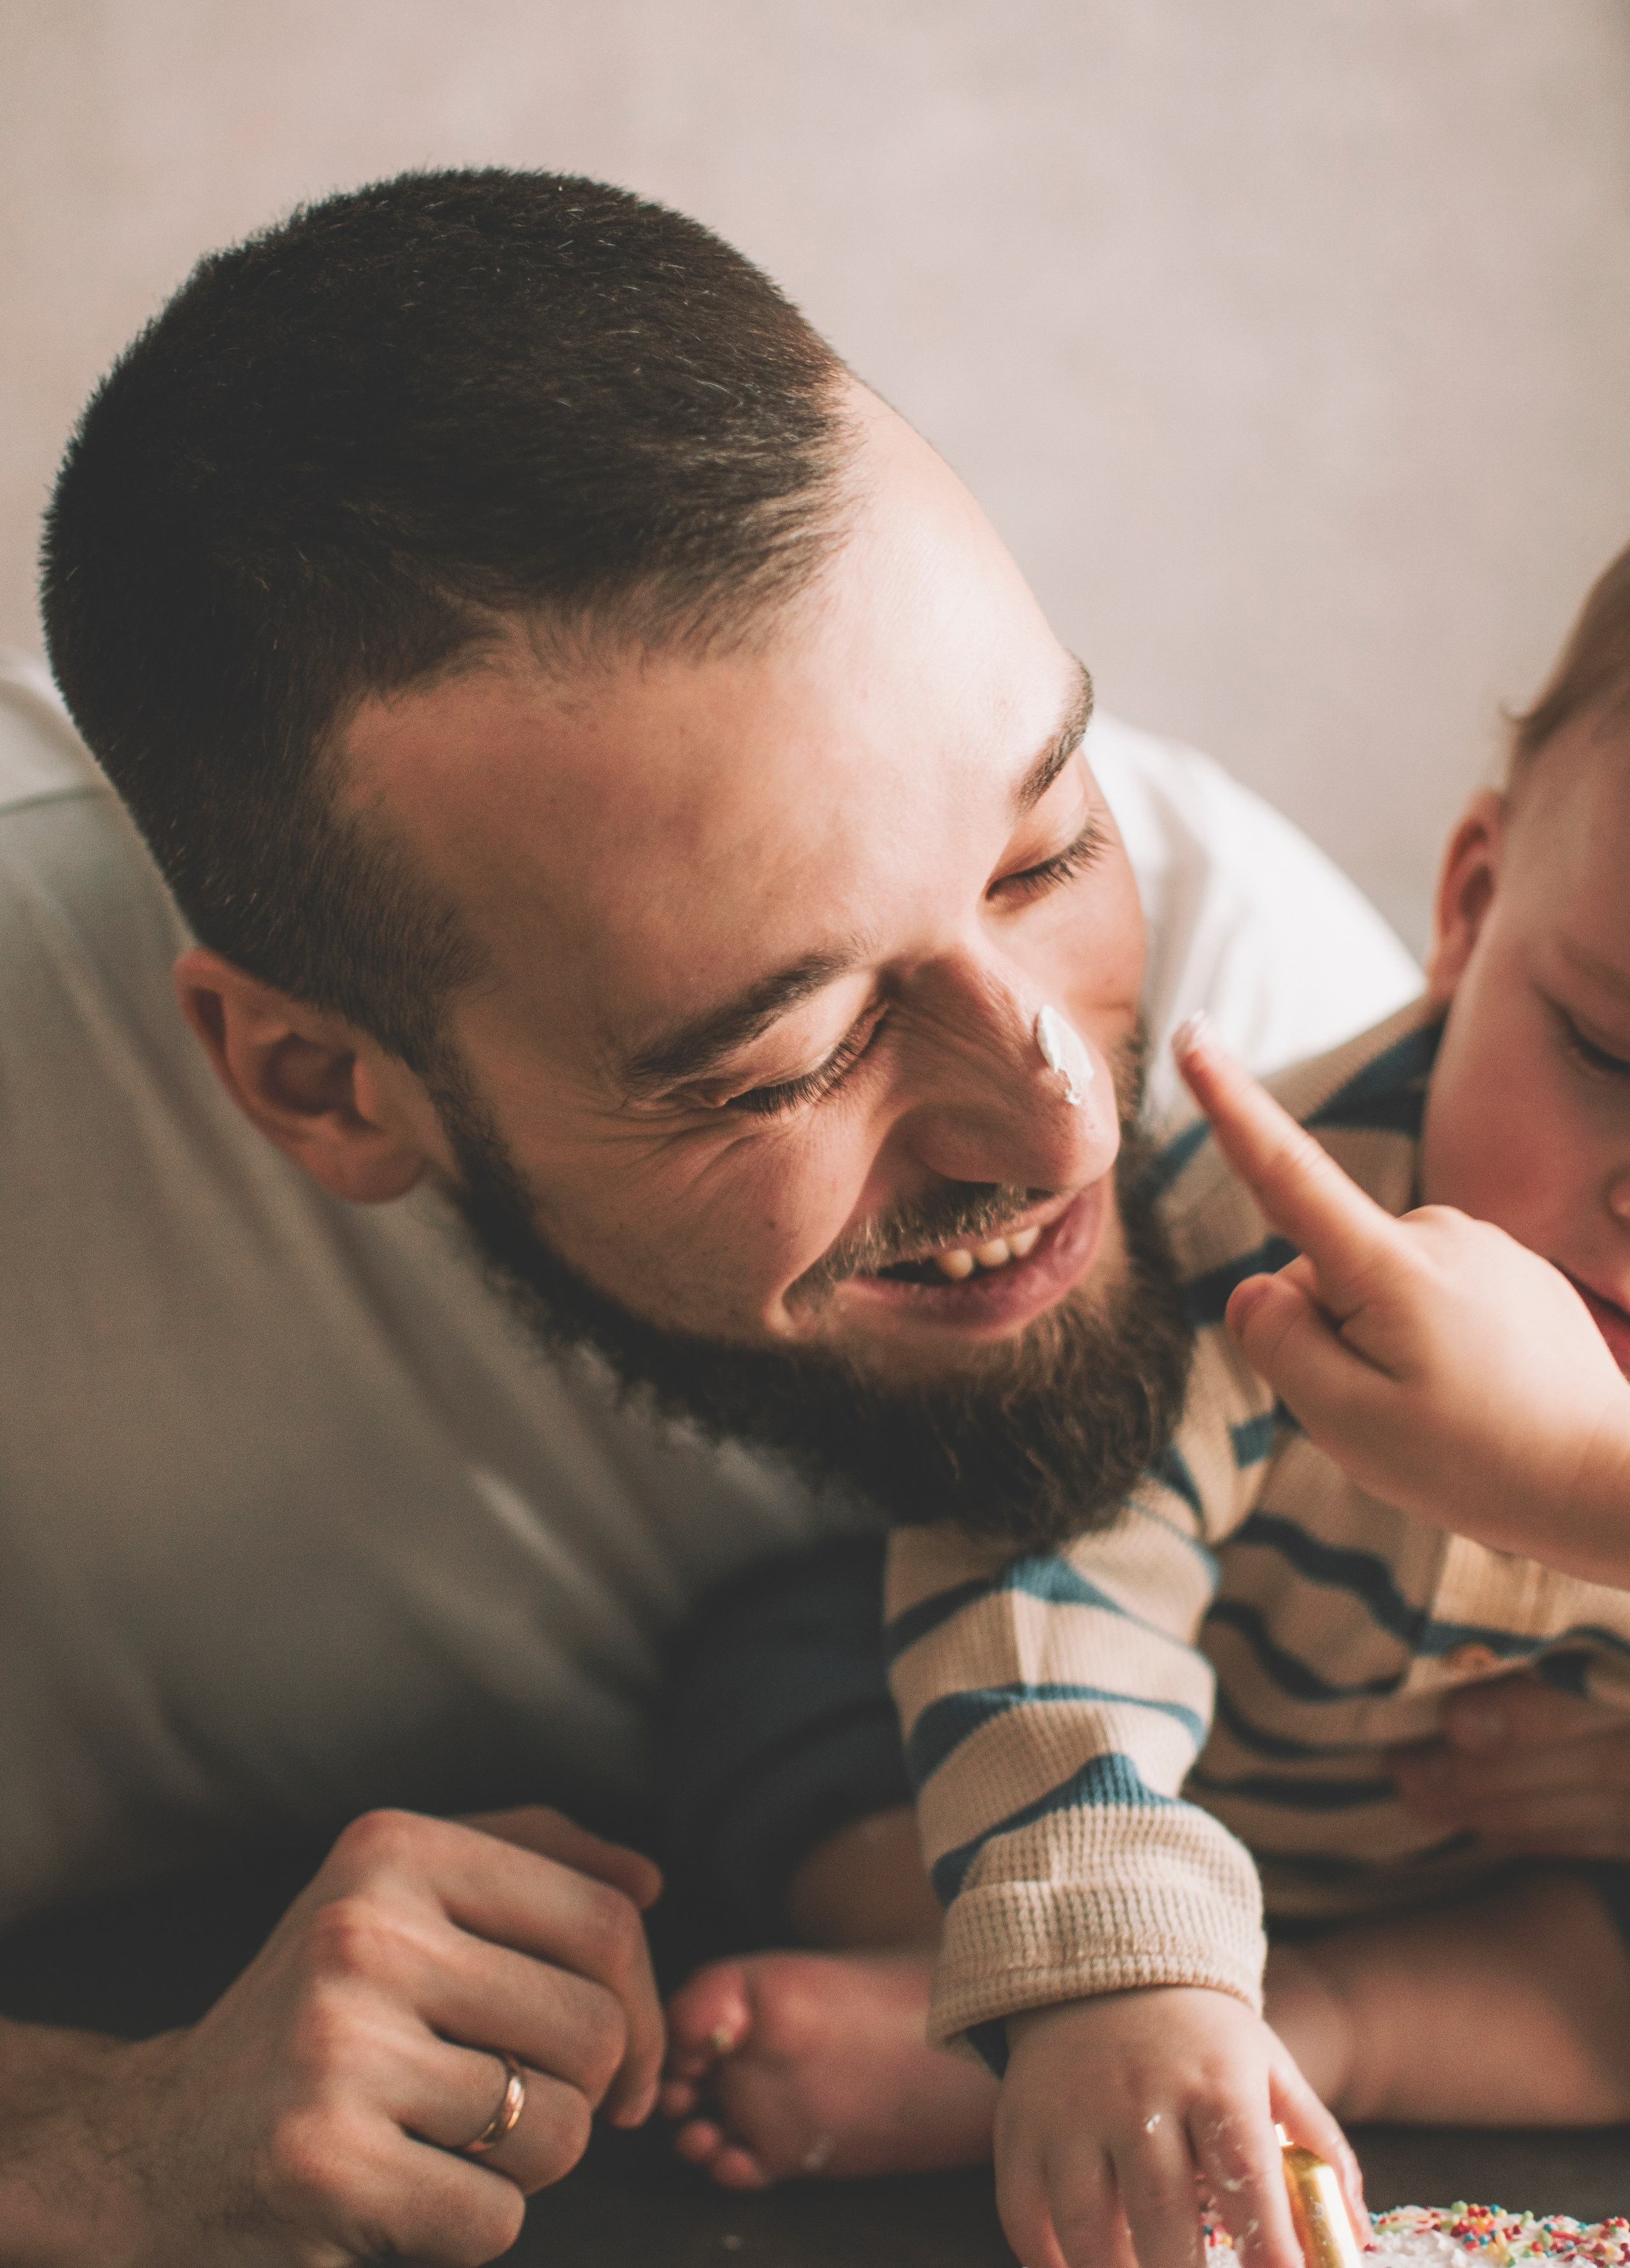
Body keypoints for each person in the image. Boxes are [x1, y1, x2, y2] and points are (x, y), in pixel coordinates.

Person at [0, 166, 1431, 2264]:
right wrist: (94, 2143)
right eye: (789, 1057)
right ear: (320, 1082)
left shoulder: (1262, 1009)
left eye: (1042, 856)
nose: (1053, 1131)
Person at [658, 546, 1630, 2268]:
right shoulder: (1259, 1234)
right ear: (1473, 901)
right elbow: (1056, 1576)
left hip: (1480, 1918)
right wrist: (1120, 1959)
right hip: (1126, 1771)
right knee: (794, 1652)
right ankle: (1066, 2005)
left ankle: (1270, 2052)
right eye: (1612, 1053)